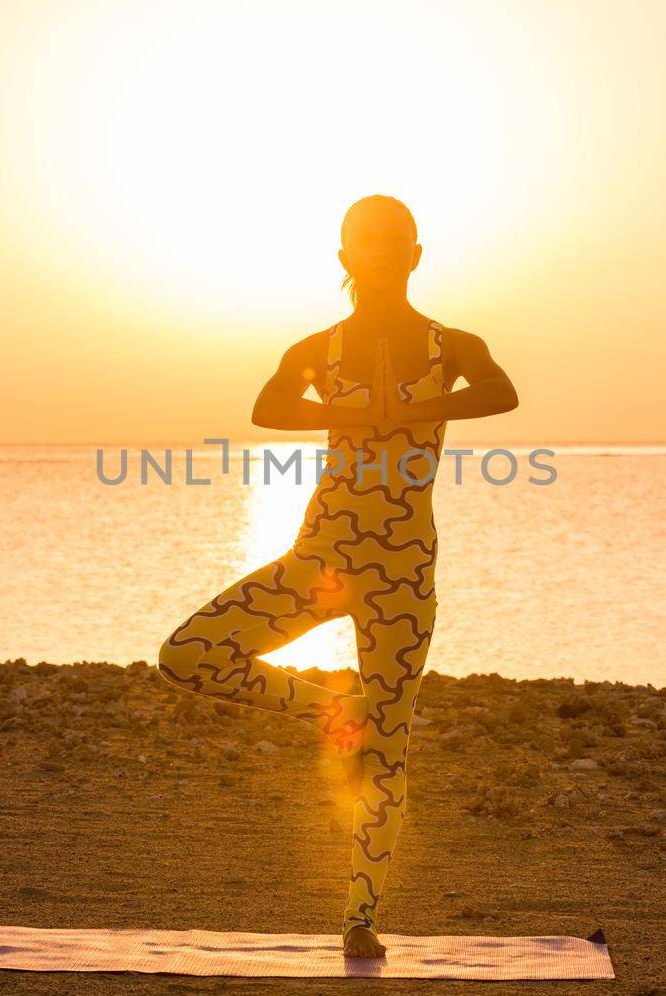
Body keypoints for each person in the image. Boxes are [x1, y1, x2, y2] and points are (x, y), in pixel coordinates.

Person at [156, 194, 519, 958]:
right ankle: (333, 706)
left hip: (403, 574)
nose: (383, 250)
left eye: (397, 239)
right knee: (187, 654)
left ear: (417, 254)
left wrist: (415, 403)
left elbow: (502, 392)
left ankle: (361, 915)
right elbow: (266, 407)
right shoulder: (317, 348)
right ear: (345, 256)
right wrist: (360, 417)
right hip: (320, 561)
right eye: (368, 240)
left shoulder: (451, 345)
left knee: (390, 749)